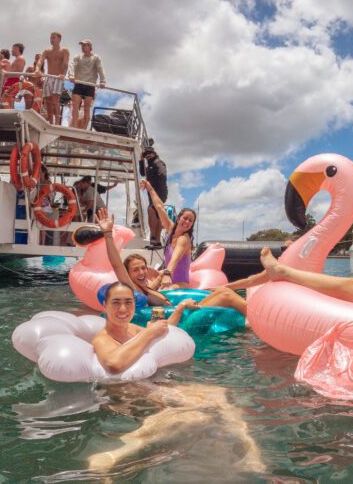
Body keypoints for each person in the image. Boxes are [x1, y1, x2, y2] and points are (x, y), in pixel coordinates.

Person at [88, 282, 264, 474]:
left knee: (220, 395)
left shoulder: (131, 329)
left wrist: (176, 312)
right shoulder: (102, 338)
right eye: (116, 303)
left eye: (128, 302)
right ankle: (117, 453)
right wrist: (148, 333)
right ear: (104, 305)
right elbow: (114, 364)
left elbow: (165, 336)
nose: (123, 308)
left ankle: (249, 446)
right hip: (127, 393)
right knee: (194, 414)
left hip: (151, 385)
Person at [96, 209, 248, 314]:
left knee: (223, 291)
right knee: (226, 295)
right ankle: (256, 319)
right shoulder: (131, 287)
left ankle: (252, 317)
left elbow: (153, 290)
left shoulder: (145, 287)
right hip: (183, 314)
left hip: (181, 308)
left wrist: (161, 276)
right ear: (128, 274)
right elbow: (116, 264)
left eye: (143, 268)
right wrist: (108, 234)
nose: (142, 272)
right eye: (136, 270)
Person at [140, 181, 197, 286]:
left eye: (191, 220)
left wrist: (167, 273)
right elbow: (159, 207)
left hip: (180, 284)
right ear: (179, 218)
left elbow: (174, 259)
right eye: (185, 218)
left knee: (152, 291)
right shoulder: (171, 229)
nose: (187, 222)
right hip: (166, 278)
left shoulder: (184, 239)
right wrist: (150, 188)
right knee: (141, 270)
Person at [69, 40, 106, 129]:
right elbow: (72, 64)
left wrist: (103, 81)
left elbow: (100, 68)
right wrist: (71, 75)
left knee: (86, 108)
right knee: (75, 106)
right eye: (82, 45)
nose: (82, 47)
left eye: (85, 45)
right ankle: (74, 126)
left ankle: (84, 128)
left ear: (90, 47)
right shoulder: (78, 57)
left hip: (90, 85)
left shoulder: (96, 58)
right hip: (79, 83)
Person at [36, 32, 69, 125]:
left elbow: (66, 63)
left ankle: (57, 123)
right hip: (49, 77)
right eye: (50, 38)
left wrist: (63, 74)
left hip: (58, 77)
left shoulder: (64, 50)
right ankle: (50, 122)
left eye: (53, 37)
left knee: (55, 100)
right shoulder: (47, 51)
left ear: (59, 39)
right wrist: (37, 69)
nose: (51, 39)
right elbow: (40, 60)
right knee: (48, 101)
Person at [139, 146, 168, 243]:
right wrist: (141, 159)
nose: (147, 155)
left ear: (154, 153)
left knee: (151, 209)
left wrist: (155, 189)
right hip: (152, 193)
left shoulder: (158, 162)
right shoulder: (149, 165)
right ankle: (157, 241)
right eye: (145, 154)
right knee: (158, 214)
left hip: (159, 192)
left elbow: (162, 176)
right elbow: (142, 173)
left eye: (149, 153)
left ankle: (153, 236)